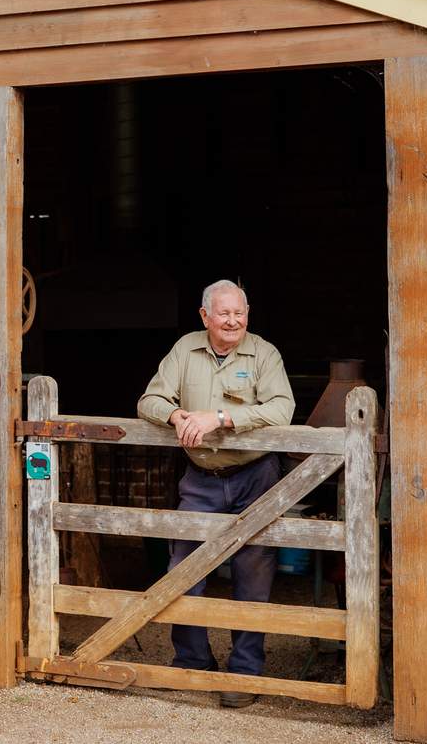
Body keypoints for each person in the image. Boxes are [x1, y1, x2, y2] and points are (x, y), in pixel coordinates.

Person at [137, 279, 295, 708]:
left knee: (253, 575)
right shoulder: (184, 349)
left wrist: (220, 417)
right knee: (183, 569)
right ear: (205, 316)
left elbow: (283, 407)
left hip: (255, 476)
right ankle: (191, 663)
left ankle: (245, 673)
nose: (233, 321)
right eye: (223, 313)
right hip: (200, 479)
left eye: (240, 313)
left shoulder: (264, 353)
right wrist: (175, 414)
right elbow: (148, 399)